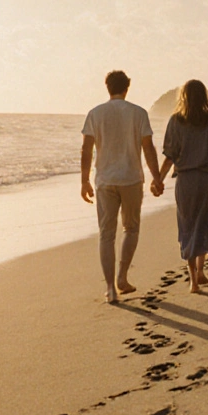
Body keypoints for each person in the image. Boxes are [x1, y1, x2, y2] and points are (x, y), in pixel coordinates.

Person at [81, 70, 162, 304]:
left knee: (106, 235)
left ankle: (110, 288)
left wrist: (84, 180)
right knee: (131, 229)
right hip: (131, 179)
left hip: (105, 181)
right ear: (127, 88)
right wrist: (156, 177)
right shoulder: (138, 113)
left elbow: (86, 149)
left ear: (107, 88)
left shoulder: (95, 114)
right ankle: (122, 277)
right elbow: (148, 148)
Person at [151, 80, 208, 294]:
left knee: (188, 225)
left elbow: (170, 156)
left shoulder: (176, 121)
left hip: (186, 181)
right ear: (204, 96)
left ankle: (193, 280)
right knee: (207, 223)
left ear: (183, 96)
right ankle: (201, 270)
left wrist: (159, 179)